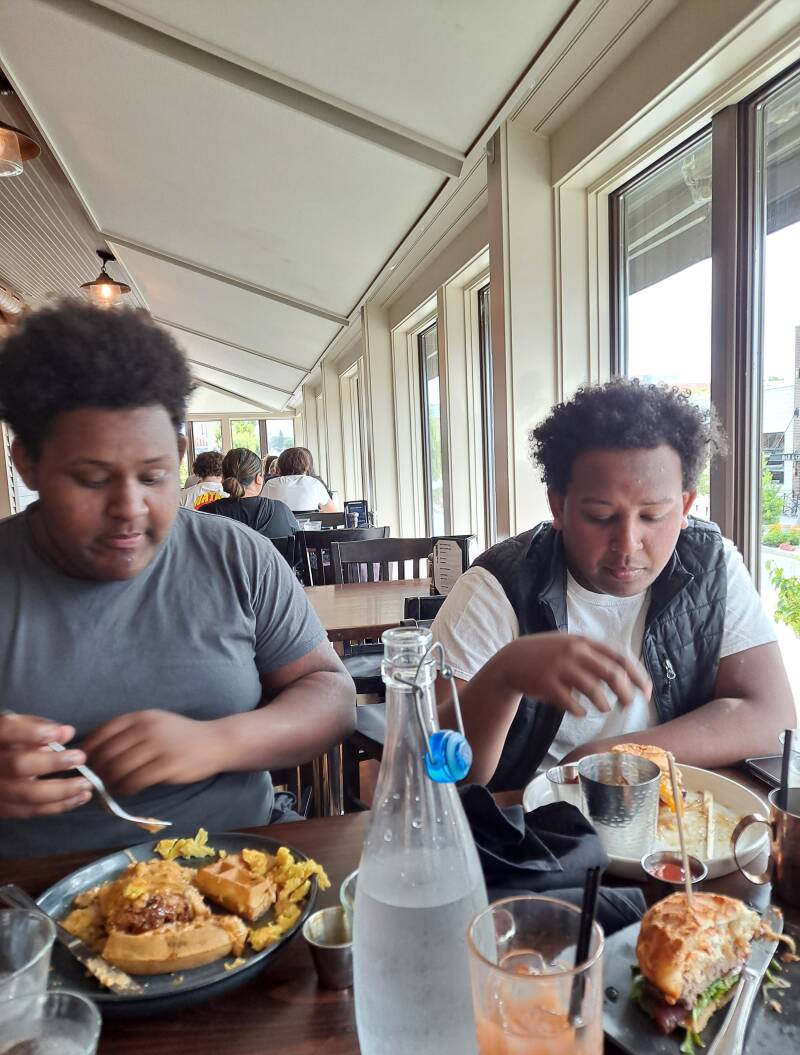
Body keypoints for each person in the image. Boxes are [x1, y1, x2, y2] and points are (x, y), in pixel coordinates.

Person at [0, 302, 355, 858]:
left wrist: (217, 741)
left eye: (153, 475)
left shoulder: (238, 556)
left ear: (181, 454)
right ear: (27, 464)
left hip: (242, 868)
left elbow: (331, 695)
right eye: (90, 479)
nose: (129, 508)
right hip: (36, 889)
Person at [432, 379, 796, 790]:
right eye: (601, 517)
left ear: (685, 507)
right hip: (529, 818)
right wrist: (504, 675)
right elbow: (436, 769)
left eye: (652, 516)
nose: (627, 544)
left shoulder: (713, 566)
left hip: (668, 816)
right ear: (558, 506)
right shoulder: (496, 587)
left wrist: (609, 756)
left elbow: (773, 718)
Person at [199, 448, 298, 539]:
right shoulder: (280, 510)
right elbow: (299, 548)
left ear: (223, 478)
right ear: (258, 478)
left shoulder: (206, 514)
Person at [265, 447, 337, 512]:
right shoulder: (314, 483)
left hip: (280, 522)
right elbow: (332, 511)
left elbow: (261, 508)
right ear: (306, 466)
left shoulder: (271, 484)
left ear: (279, 466)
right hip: (308, 522)